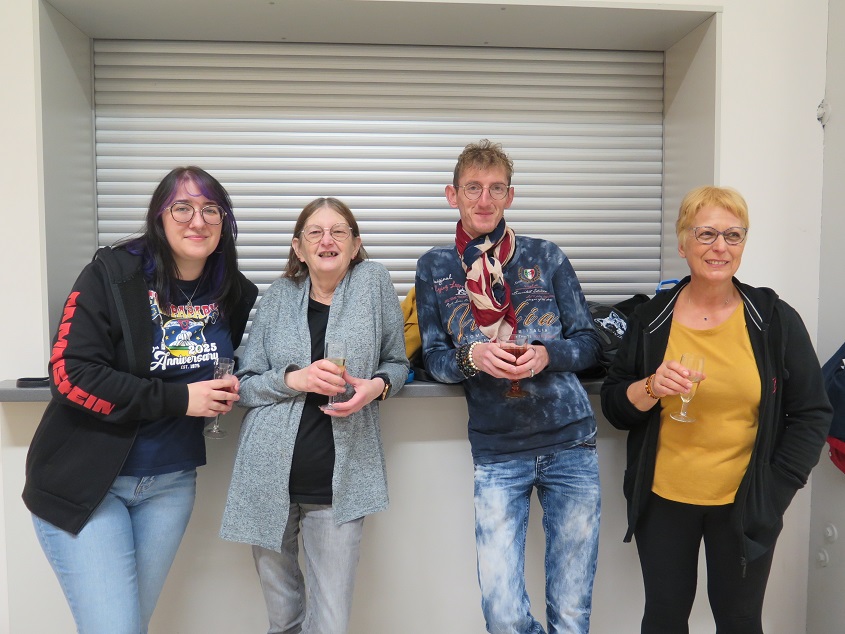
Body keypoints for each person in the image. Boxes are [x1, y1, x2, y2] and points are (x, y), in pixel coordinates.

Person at [23, 166, 258, 633]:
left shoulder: (233, 290)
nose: (198, 221)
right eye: (182, 208)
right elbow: (70, 375)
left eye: (211, 209)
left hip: (170, 485)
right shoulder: (112, 275)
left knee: (129, 625)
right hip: (88, 483)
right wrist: (179, 400)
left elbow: (225, 363)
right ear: (159, 217)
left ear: (225, 222)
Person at [600, 186, 832, 633]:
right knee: (664, 619)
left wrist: (776, 488)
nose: (719, 247)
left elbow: (811, 412)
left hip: (745, 502)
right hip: (663, 500)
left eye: (733, 235)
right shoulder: (651, 319)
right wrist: (650, 387)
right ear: (682, 242)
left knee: (740, 621)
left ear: (743, 243)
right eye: (705, 233)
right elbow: (615, 406)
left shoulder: (773, 318)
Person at [415, 140, 603, 634]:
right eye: (473, 188)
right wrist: (473, 356)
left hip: (570, 442)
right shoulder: (436, 267)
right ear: (452, 195)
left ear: (510, 196)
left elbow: (589, 343)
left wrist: (547, 354)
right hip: (498, 451)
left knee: (571, 613)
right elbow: (434, 359)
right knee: (502, 613)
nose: (485, 199)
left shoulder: (546, 256)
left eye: (496, 188)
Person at [220, 197, 408, 634]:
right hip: (267, 479)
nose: (327, 240)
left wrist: (376, 388)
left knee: (331, 624)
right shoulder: (276, 298)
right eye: (315, 233)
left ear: (355, 244)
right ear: (298, 247)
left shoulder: (373, 283)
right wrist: (294, 379)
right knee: (284, 619)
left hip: (338, 485)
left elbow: (397, 363)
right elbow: (245, 386)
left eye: (339, 231)